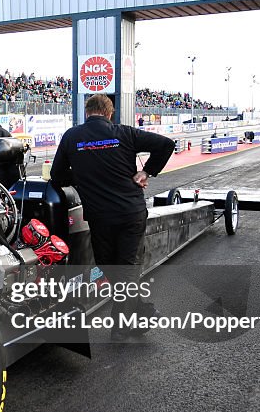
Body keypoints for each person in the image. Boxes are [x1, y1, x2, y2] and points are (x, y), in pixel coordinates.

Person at [50, 94, 174, 341]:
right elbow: (166, 144)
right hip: (130, 212)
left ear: (87, 113)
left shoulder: (72, 137)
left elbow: (58, 176)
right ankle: (140, 312)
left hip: (100, 216)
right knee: (123, 268)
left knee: (112, 266)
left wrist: (84, 177)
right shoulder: (124, 132)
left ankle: (120, 325)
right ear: (109, 114)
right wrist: (146, 172)